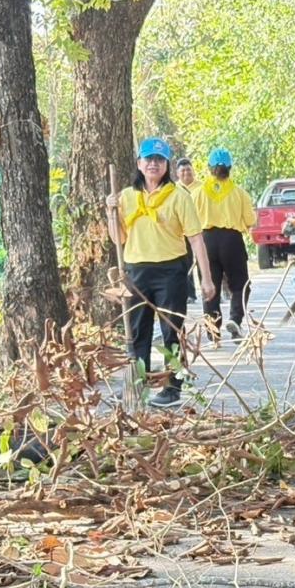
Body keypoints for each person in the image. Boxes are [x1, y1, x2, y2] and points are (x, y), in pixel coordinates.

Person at [106, 137, 215, 408]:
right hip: (135, 272)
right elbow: (118, 239)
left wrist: (207, 279)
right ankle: (137, 384)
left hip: (171, 271)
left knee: (171, 331)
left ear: (166, 165)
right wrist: (110, 213)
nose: (153, 164)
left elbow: (196, 239)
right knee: (137, 331)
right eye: (148, 159)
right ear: (139, 163)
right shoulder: (126, 197)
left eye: (159, 159)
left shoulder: (179, 196)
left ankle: (172, 387)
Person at [194, 148, 255, 341]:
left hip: (206, 241)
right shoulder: (239, 193)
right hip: (232, 241)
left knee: (209, 284)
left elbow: (189, 222)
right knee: (240, 284)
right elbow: (250, 220)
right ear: (230, 168)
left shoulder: (197, 194)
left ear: (209, 168)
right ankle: (235, 319)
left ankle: (213, 331)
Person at [176, 157, 200, 303]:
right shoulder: (174, 189)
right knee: (186, 263)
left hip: (202, 230)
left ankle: (211, 289)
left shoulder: (202, 187)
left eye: (189, 170)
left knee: (206, 262)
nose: (186, 173)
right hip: (183, 233)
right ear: (178, 173)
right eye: (183, 171)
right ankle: (189, 293)